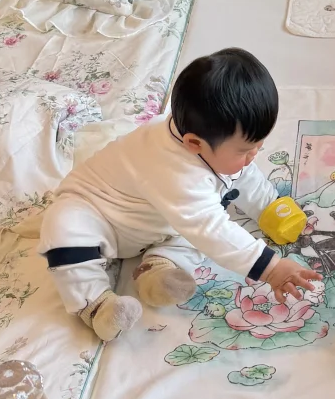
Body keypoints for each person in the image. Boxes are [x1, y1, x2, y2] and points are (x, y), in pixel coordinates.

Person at [38, 48, 319, 340]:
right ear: (194, 144)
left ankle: (157, 268)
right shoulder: (173, 170)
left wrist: (270, 208)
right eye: (246, 150)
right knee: (63, 226)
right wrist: (271, 269)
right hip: (99, 214)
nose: (254, 155)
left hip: (160, 220)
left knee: (201, 230)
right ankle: (97, 305)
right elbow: (210, 228)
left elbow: (242, 175)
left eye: (259, 145)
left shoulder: (204, 139)